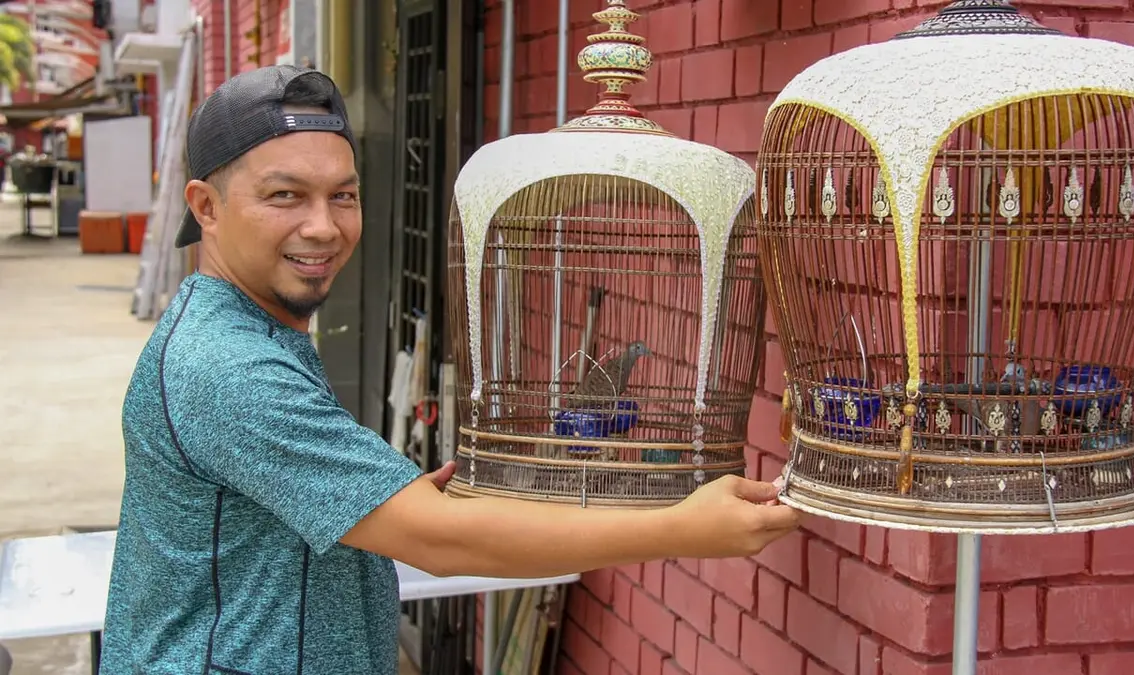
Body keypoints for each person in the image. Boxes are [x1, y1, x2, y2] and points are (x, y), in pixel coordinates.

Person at [99, 65, 803, 675]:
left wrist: (394, 498)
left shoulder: (251, 327)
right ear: (205, 208)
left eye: (342, 195)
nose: (324, 226)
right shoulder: (229, 365)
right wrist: (684, 527)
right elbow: (438, 541)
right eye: (285, 196)